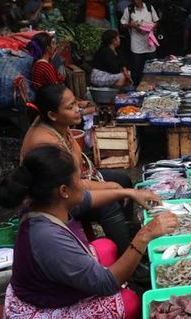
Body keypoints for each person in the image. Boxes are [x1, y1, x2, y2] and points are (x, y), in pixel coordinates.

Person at [0, 146, 178, 319]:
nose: (84, 182)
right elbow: (107, 283)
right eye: (78, 178)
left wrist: (129, 192)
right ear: (63, 190)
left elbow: (87, 199)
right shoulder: (47, 238)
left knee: (106, 247)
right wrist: (144, 235)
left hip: (45, 293)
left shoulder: (46, 204)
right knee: (128, 301)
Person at [21, 85, 135, 255]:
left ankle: (126, 236)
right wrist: (111, 189)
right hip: (55, 200)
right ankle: (127, 257)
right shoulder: (46, 143)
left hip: (74, 182)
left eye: (76, 104)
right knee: (110, 200)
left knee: (123, 180)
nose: (77, 110)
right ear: (52, 114)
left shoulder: (57, 123)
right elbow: (74, 186)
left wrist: (113, 186)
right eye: (70, 107)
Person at [121, 0, 161, 86]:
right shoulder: (129, 9)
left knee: (152, 68)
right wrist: (131, 25)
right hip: (136, 45)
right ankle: (137, 86)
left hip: (150, 44)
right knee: (136, 69)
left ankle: (151, 86)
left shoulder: (149, 8)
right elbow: (123, 24)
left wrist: (152, 26)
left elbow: (156, 21)